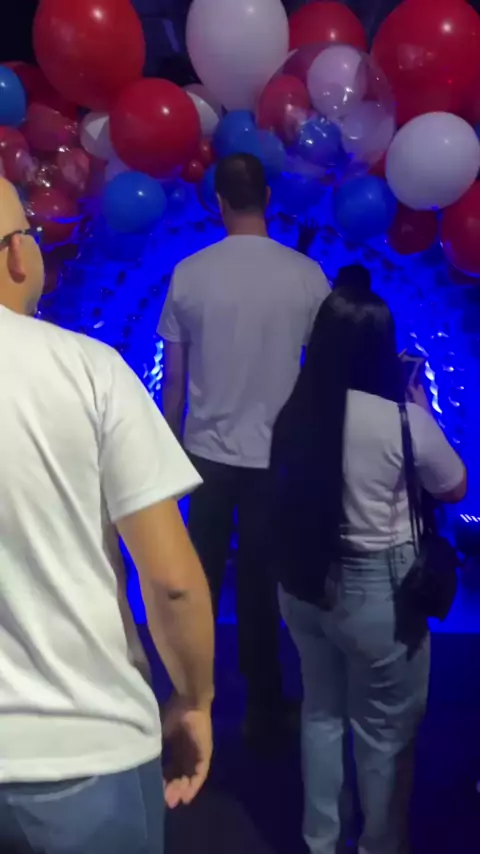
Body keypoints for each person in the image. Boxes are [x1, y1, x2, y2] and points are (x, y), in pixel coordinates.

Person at [0, 178, 215, 854]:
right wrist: (195, 699)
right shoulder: (89, 371)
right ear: (15, 255)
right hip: (84, 753)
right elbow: (171, 582)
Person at [271, 267, 467, 854]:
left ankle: (321, 840)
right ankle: (377, 845)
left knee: (321, 713)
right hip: (379, 592)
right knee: (384, 733)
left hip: (302, 582)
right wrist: (421, 409)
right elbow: (454, 485)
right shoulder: (402, 420)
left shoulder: (295, 412)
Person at [158, 153, 330, 742]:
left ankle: (191, 701)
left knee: (196, 582)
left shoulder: (190, 273)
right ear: (268, 199)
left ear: (220, 202)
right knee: (263, 586)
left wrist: (165, 458)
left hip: (205, 452)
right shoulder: (306, 275)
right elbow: (321, 374)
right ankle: (264, 705)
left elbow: (174, 381)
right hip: (276, 457)